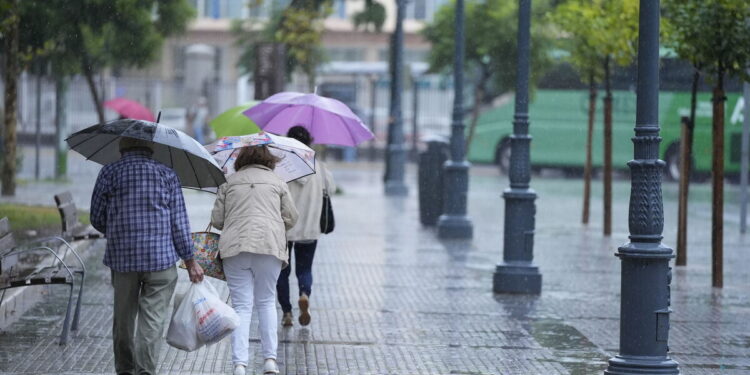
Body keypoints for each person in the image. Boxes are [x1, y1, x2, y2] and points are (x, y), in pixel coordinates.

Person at [90, 137, 204, 375]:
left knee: (123, 320)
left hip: (123, 261)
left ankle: (124, 369)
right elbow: (179, 224)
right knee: (151, 322)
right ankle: (145, 370)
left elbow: (97, 217)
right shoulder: (167, 174)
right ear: (151, 148)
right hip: (160, 262)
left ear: (122, 147)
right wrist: (190, 261)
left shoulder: (109, 172)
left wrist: (119, 230)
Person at [211, 145, 298, 375]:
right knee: (267, 302)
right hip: (268, 246)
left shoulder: (229, 182)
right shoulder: (278, 182)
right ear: (268, 160)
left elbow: (217, 220)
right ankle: (270, 360)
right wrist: (274, 224)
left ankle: (239, 364)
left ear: (240, 160)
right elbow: (291, 217)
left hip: (235, 247)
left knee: (241, 306)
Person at [277, 126, 336, 327]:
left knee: (282, 271)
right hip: (310, 228)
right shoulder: (318, 166)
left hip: (283, 228)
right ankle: (304, 293)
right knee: (305, 269)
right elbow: (332, 189)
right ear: (309, 142)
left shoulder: (282, 166)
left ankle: (286, 312)